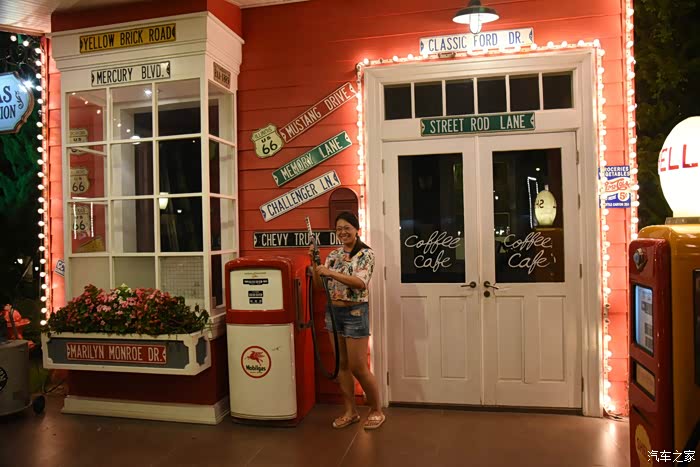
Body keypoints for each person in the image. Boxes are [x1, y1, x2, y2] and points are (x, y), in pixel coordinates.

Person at [309, 211, 386, 430]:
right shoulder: (333, 255)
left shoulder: (365, 254)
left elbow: (360, 283)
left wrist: (331, 273)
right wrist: (314, 262)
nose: (343, 232)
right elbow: (318, 286)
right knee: (341, 365)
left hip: (355, 312)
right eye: (339, 229)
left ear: (356, 229)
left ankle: (376, 410)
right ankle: (350, 411)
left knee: (358, 367)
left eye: (347, 228)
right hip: (333, 312)